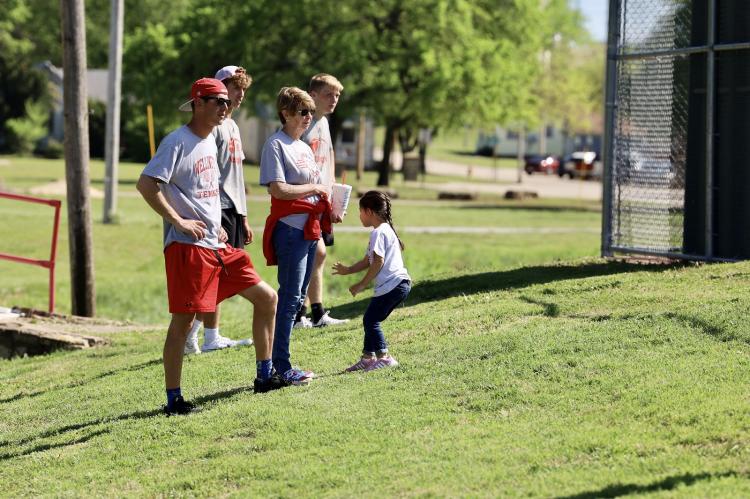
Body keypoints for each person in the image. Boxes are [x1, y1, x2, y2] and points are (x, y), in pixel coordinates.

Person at [137, 78, 283, 416]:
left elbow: (205, 191)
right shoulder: (177, 141)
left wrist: (217, 226)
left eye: (226, 103)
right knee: (184, 322)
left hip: (216, 245)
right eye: (216, 101)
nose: (224, 107)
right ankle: (174, 399)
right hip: (187, 248)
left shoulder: (209, 141)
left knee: (267, 298)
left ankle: (264, 376)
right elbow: (146, 183)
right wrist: (179, 221)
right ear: (197, 103)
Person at [259, 86, 337, 386]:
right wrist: (314, 190)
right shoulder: (275, 145)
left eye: (310, 112)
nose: (308, 117)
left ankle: (282, 362)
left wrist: (330, 204)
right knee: (289, 297)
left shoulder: (303, 147)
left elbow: (316, 186)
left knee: (296, 298)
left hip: (309, 227)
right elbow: (277, 188)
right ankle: (280, 365)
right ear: (286, 113)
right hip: (289, 230)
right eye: (302, 112)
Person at [184, 66, 255, 354]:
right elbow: (208, 174)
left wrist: (245, 217)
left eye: (242, 89)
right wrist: (213, 217)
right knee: (214, 276)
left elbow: (236, 175)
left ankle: (209, 335)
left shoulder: (234, 126)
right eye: (233, 87)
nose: (238, 95)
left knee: (222, 278)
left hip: (234, 209)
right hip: (218, 209)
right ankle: (194, 334)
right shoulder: (212, 128)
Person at [332, 191, 411, 372]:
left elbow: (378, 262)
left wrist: (361, 284)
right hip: (397, 285)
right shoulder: (384, 230)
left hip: (394, 285)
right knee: (370, 318)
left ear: (369, 211)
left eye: (360, 211)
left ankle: (384, 357)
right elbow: (368, 260)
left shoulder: (378, 232)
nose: (359, 216)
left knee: (371, 320)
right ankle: (368, 358)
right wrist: (349, 270)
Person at [296, 73, 349, 329]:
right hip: (306, 201)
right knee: (315, 253)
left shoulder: (325, 123)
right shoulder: (301, 124)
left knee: (317, 256)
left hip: (324, 202)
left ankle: (310, 313)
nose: (334, 100)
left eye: (337, 95)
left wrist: (336, 196)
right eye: (329, 94)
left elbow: (328, 157)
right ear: (313, 95)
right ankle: (302, 314)